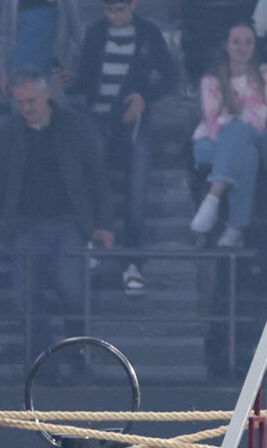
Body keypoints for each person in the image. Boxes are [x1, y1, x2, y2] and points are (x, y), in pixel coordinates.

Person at [0, 75, 111, 347]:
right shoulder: (8, 133)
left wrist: (104, 224)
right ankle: (42, 356)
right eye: (20, 102)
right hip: (25, 223)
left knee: (71, 288)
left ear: (46, 95)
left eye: (31, 101)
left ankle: (77, 350)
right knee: (26, 295)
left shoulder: (75, 125)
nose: (26, 108)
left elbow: (97, 176)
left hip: (69, 222)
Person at [72, 0, 177, 285]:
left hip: (134, 120)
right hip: (97, 116)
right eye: (108, 10)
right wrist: (68, 82)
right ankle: (92, 245)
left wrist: (144, 97)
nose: (114, 16)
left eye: (119, 9)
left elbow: (170, 78)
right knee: (91, 180)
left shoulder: (149, 33)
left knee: (136, 191)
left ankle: (132, 262)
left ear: (133, 4)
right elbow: (84, 79)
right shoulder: (96, 31)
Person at [188, 21, 267, 244]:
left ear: (254, 46)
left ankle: (213, 197)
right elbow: (212, 125)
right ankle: (235, 227)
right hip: (211, 142)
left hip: (253, 135)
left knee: (240, 133)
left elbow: (259, 120)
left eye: (248, 42)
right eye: (236, 42)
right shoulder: (211, 79)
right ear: (226, 45)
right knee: (247, 153)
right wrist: (234, 121)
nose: (242, 47)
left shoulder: (265, 74)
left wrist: (230, 117)